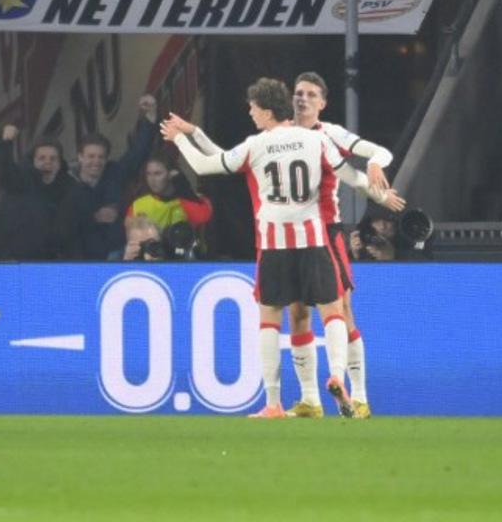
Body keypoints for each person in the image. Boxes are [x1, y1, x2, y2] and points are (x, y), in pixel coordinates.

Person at [161, 78, 397, 419]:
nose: (250, 112)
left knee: (272, 318)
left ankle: (274, 403)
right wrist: (380, 194)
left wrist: (179, 138)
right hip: (314, 239)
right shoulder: (317, 141)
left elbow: (208, 164)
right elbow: (352, 177)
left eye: (253, 107)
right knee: (331, 310)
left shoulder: (257, 144)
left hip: (273, 243)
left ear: (267, 111)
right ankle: (333, 378)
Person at [283, 71, 399, 419]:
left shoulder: (330, 133)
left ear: (322, 102)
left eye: (310, 94)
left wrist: (375, 166)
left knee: (342, 310)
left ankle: (360, 398)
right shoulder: (279, 135)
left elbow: (379, 151)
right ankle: (309, 401)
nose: (302, 98)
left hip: (325, 232)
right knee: (298, 313)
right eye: (298, 92)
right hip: (289, 234)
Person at [54, 96, 158, 259]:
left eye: (101, 157)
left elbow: (138, 152)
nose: (96, 161)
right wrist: (93, 218)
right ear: (80, 157)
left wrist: (150, 118)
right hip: (81, 261)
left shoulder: (115, 172)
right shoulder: (66, 183)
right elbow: (61, 228)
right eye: (91, 156)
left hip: (117, 254)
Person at [0, 124, 74, 261]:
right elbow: (3, 171)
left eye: (53, 158)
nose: (48, 162)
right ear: (32, 161)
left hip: (38, 263)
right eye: (42, 158)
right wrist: (6, 141)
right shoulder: (21, 179)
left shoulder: (68, 187)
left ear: (60, 163)